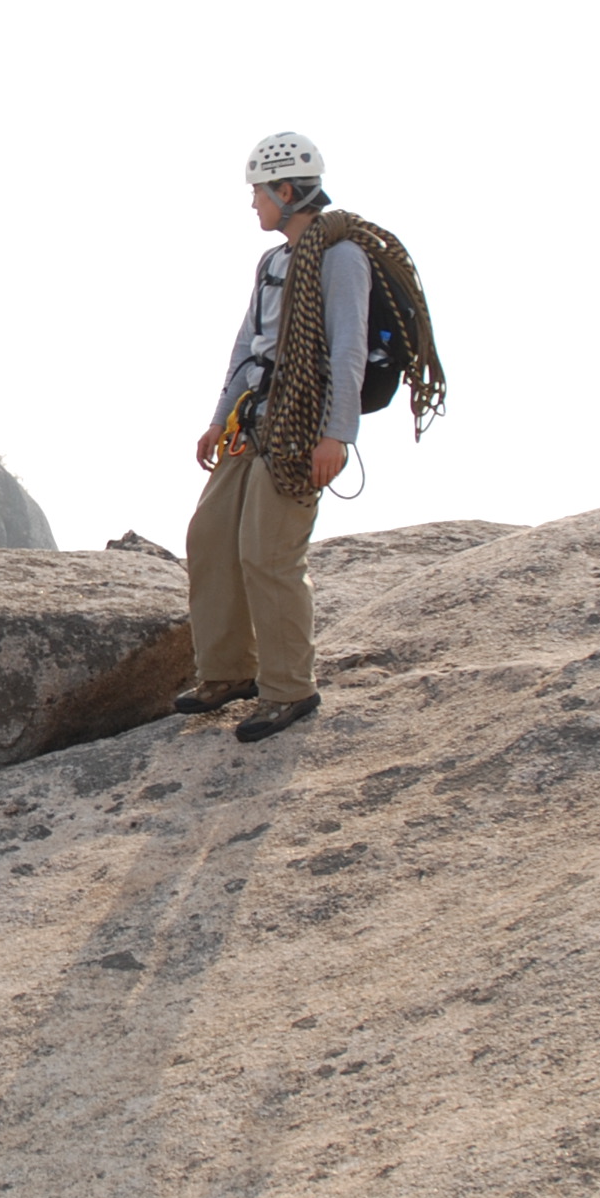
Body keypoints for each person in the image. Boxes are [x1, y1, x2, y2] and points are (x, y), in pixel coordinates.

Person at [182, 131, 369, 744]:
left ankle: (291, 688)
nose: (254, 205)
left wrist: (337, 435)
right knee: (209, 535)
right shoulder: (273, 263)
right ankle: (228, 672)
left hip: (300, 422)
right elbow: (248, 344)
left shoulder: (341, 258)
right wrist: (218, 417)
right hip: (254, 415)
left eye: (260, 193)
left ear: (287, 191)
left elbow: (347, 348)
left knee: (269, 553)